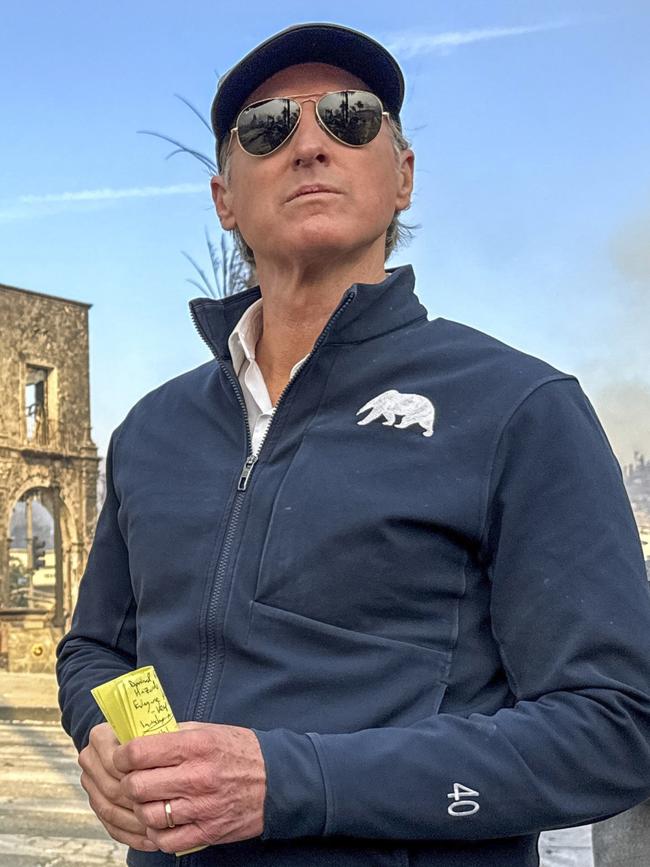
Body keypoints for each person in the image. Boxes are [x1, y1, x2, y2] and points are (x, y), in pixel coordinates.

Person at [56, 21, 650, 867]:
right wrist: (114, 730)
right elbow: (101, 646)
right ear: (225, 198)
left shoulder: (519, 407)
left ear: (402, 176)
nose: (308, 143)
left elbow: (613, 727)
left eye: (348, 116)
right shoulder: (152, 430)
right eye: (267, 127)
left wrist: (291, 781)